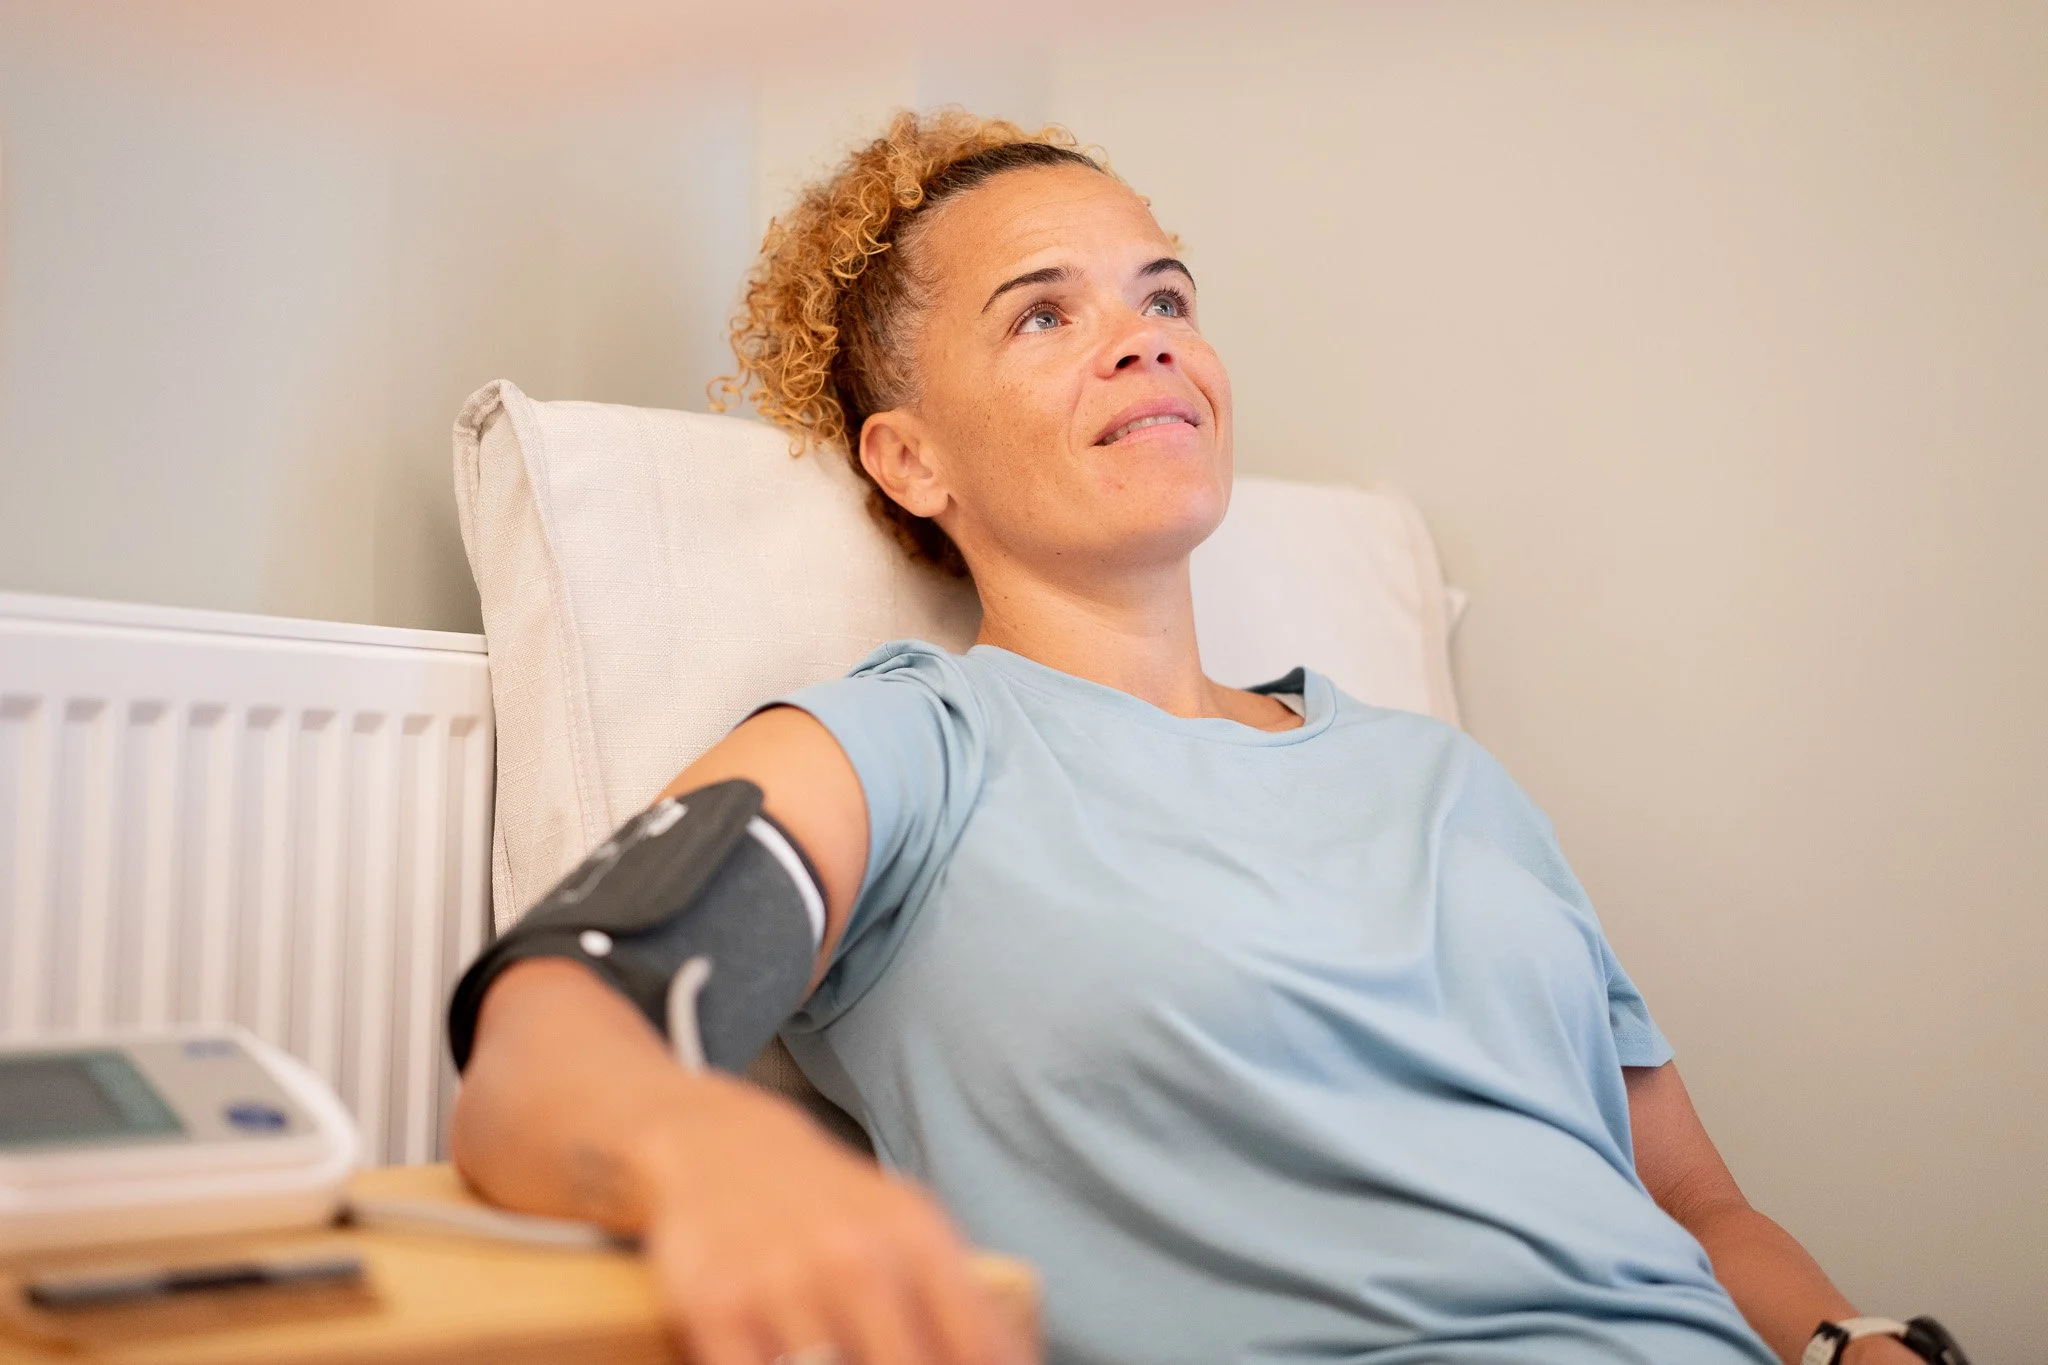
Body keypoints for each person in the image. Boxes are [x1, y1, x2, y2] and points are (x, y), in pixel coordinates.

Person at [448, 112, 1932, 1365]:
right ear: (911, 461)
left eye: (1165, 301)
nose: (1144, 348)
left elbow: (1699, 1209)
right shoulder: (911, 750)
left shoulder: (1442, 780)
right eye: (1044, 314)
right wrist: (700, 1154)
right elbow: (556, 1029)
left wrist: (1846, 1341)